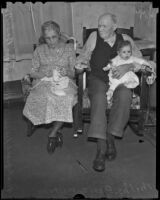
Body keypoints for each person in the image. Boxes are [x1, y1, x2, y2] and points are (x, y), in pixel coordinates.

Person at [75, 13, 156, 172]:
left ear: (114, 27)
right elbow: (84, 56)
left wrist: (128, 66)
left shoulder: (125, 39)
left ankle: (110, 136)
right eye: (99, 25)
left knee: (125, 95)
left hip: (120, 81)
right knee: (98, 98)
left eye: (104, 26)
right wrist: (80, 64)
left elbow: (141, 61)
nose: (100, 29)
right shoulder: (93, 37)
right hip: (98, 78)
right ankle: (101, 149)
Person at [23, 21, 77, 154]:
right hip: (44, 81)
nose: (51, 41)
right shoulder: (39, 50)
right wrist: (42, 73)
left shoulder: (69, 49)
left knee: (66, 97)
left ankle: (52, 133)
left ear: (59, 35)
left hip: (64, 81)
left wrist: (67, 72)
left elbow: (74, 73)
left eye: (54, 37)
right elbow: (32, 72)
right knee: (46, 96)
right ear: (43, 38)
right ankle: (56, 131)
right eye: (48, 38)